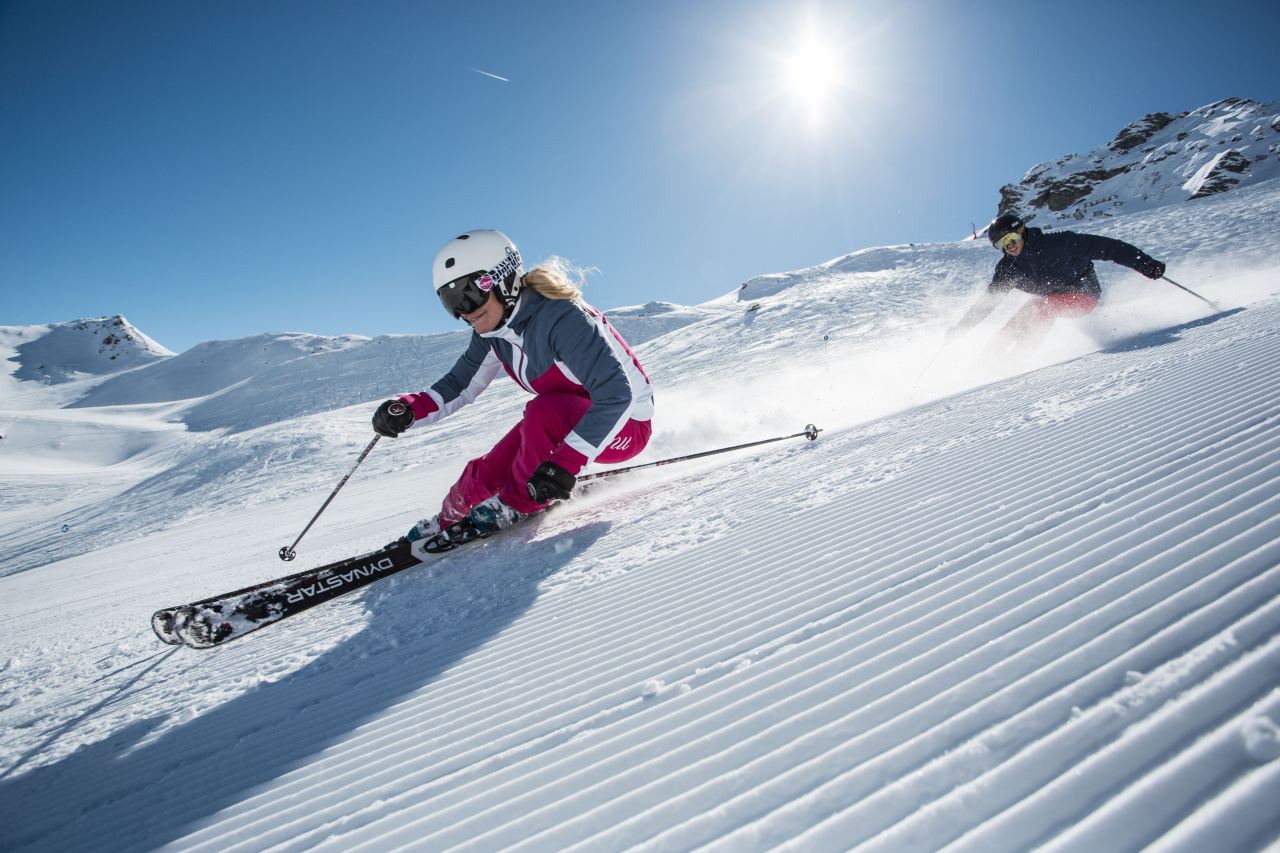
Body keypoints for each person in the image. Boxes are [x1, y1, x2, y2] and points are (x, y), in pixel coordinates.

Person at [371, 229, 654, 551]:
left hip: (625, 426)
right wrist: (407, 409)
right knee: (485, 473)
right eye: (450, 302)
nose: (463, 311)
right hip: (561, 422)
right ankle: (447, 519)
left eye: (468, 294)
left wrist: (563, 465)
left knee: (545, 410)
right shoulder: (493, 332)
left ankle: (516, 504)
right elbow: (458, 385)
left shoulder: (561, 317)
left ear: (501, 280)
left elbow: (616, 395)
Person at [946, 212, 1168, 354]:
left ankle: (1020, 359)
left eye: (1010, 239)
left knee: (1043, 308)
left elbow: (1110, 248)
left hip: (1084, 294)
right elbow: (988, 302)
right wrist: (961, 329)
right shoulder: (1008, 268)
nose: (1009, 247)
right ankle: (988, 363)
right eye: (1001, 245)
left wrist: (1145, 264)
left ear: (1021, 231)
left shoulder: (1061, 243)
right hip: (1050, 298)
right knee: (1017, 320)